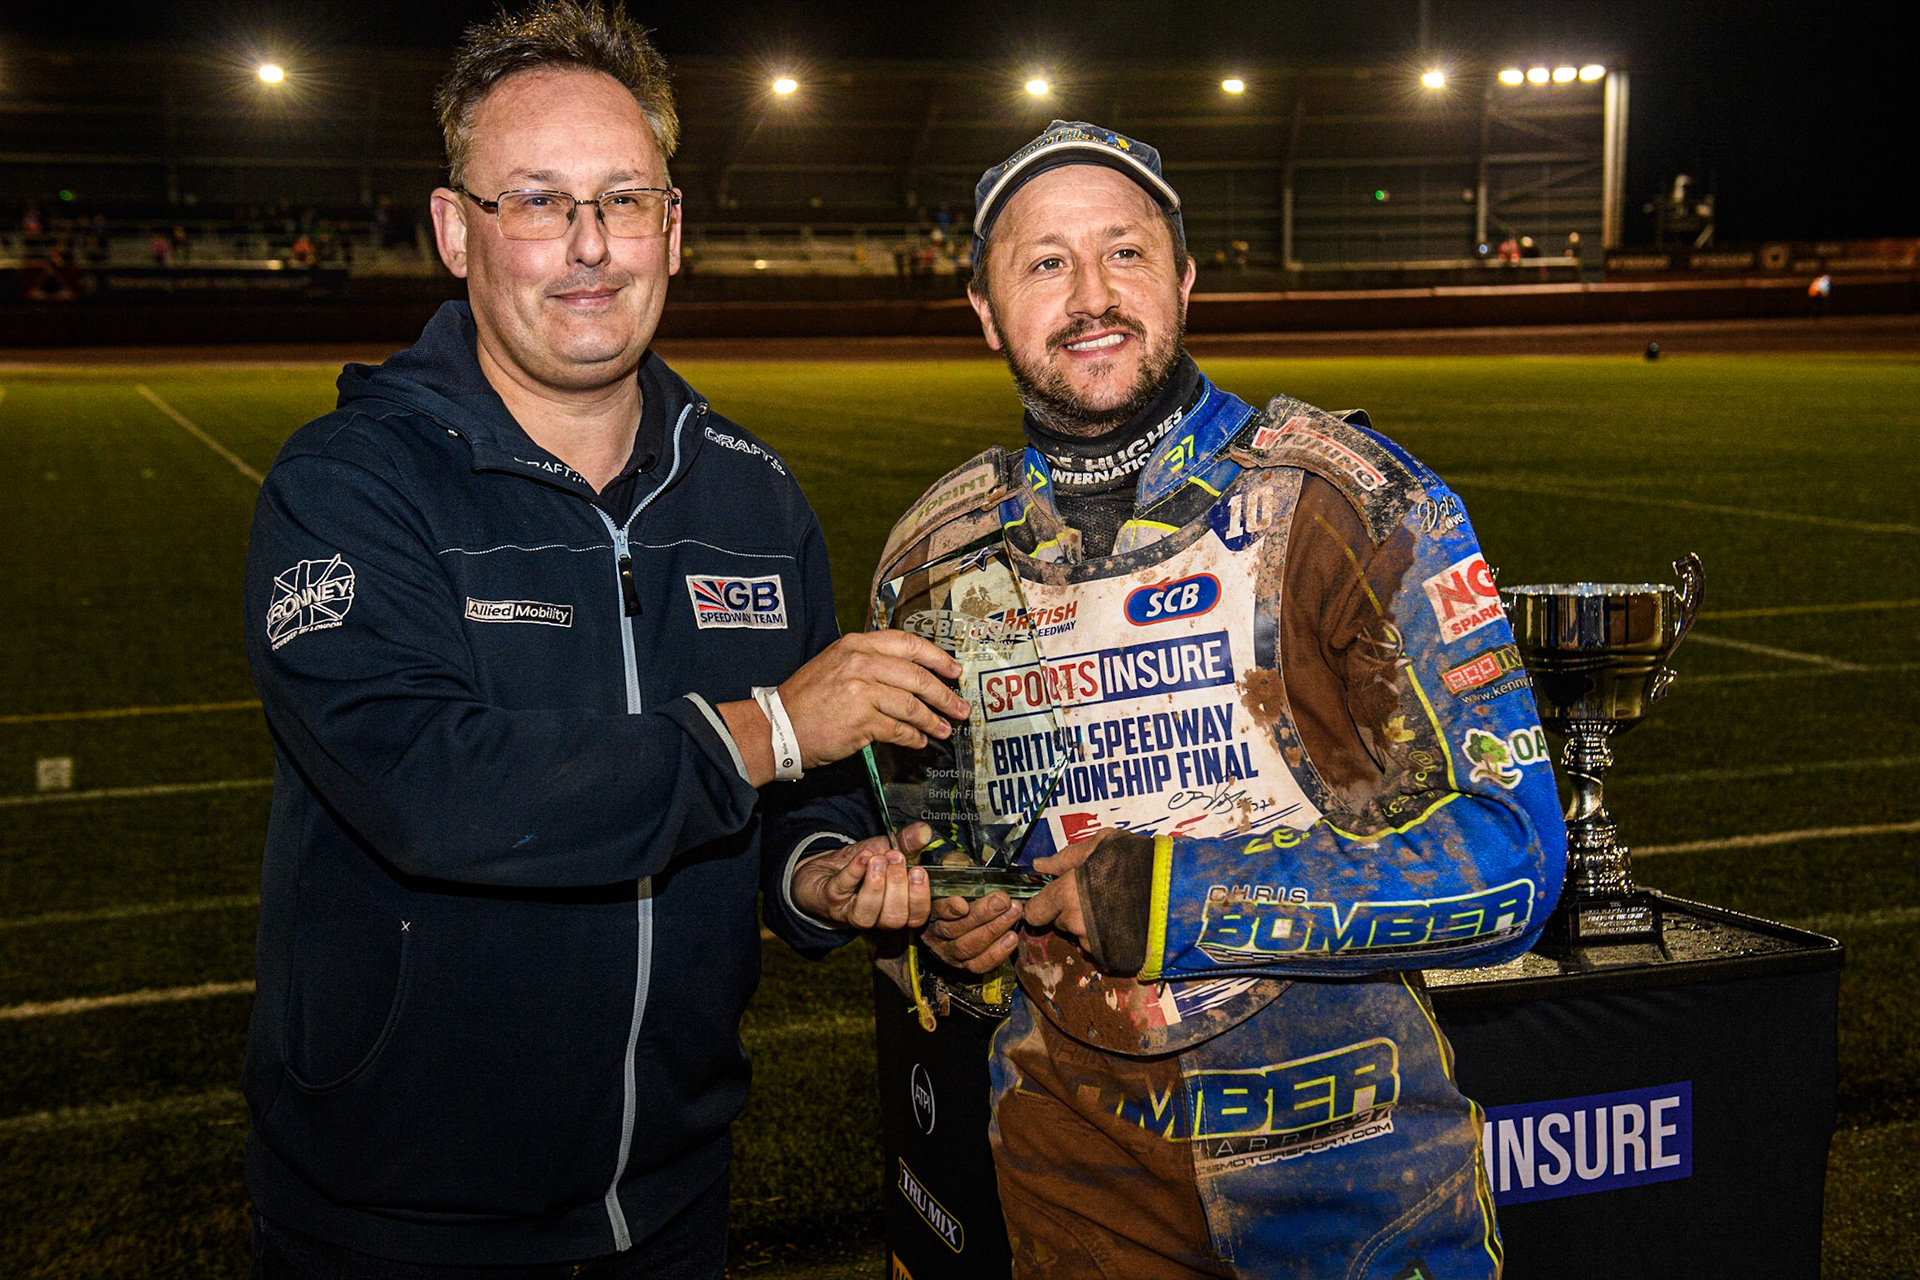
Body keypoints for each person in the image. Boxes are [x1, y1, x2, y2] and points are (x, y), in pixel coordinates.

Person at [241, 2, 958, 1275]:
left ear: (672, 231)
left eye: (624, 200)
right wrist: (772, 725)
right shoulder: (350, 482)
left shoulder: (750, 495)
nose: (589, 247)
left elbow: (793, 804)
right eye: (536, 201)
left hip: (674, 1197)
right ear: (456, 231)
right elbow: (431, 788)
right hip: (400, 1216)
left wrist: (823, 874)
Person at [886, 120, 1567, 1278]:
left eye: (1126, 252)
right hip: (1070, 1173)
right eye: (1044, 262)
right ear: (986, 310)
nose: (1091, 294)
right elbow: (957, 861)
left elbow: (1516, 862)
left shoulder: (1347, 502)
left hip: (1349, 1161)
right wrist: (949, 925)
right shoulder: (935, 558)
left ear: (1188, 277)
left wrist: (1169, 899)